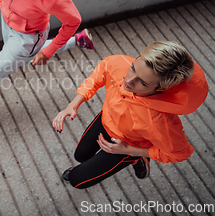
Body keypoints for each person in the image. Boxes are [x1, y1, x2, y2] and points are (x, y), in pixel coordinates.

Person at [53, 41, 209, 189]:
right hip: (106, 121)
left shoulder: (158, 122)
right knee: (81, 155)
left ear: (160, 89)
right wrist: (72, 105)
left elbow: (180, 153)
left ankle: (138, 159)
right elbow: (101, 72)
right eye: (133, 67)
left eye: (143, 82)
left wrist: (131, 151)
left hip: (127, 144)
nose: (128, 80)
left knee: (77, 180)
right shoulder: (119, 64)